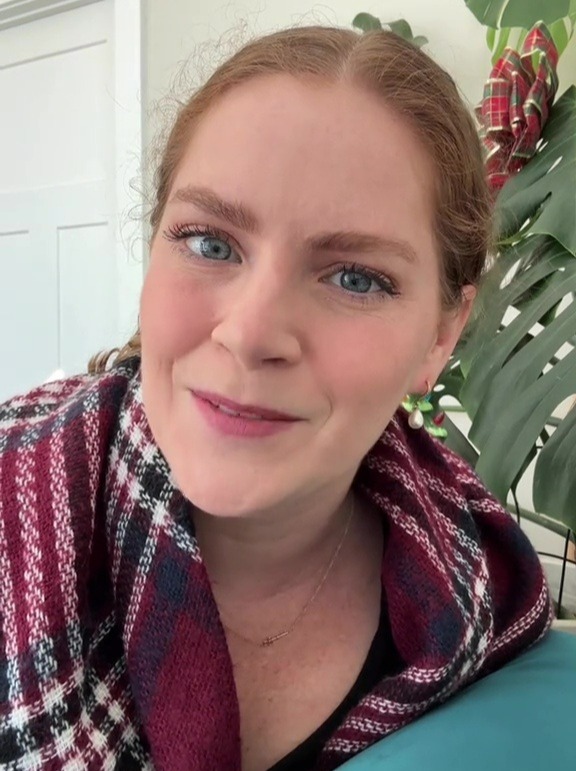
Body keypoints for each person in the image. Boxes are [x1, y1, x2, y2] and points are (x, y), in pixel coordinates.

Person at [0, 25, 551, 771]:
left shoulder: (485, 597)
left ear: (442, 333)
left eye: (355, 277)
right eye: (210, 242)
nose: (250, 333)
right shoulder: (16, 498)